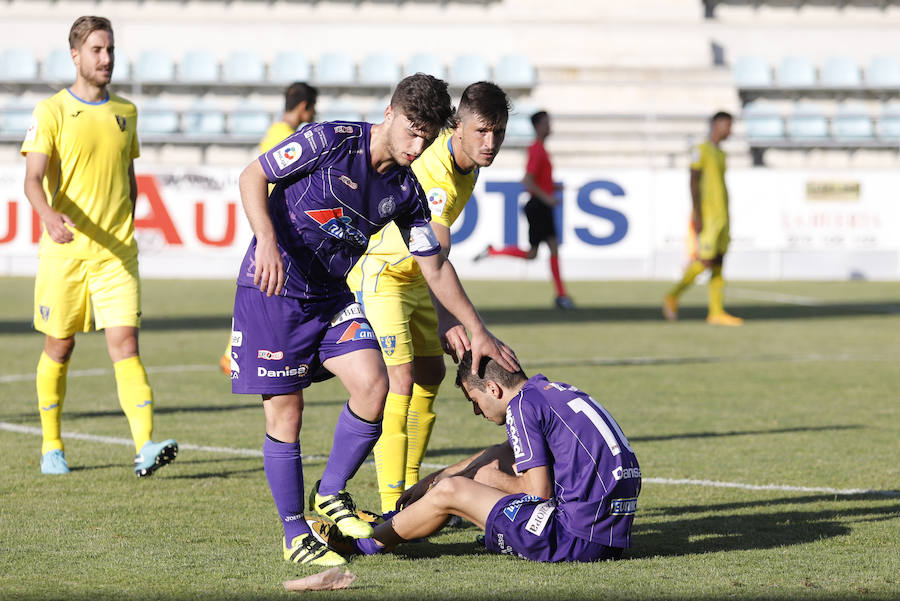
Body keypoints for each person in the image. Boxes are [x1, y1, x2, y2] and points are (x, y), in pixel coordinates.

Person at [230, 73, 519, 567]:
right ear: (388, 114)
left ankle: (331, 493)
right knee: (287, 414)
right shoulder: (329, 141)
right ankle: (294, 531)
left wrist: (476, 328)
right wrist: (267, 240)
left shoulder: (405, 191)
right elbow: (252, 176)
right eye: (411, 130)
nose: (416, 144)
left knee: (373, 385)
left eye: (426, 136)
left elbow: (434, 264)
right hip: (274, 289)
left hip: (329, 295)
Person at [20, 15, 178, 477]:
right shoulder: (50, 112)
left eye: (109, 49)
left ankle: (146, 445)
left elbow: (128, 179)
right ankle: (52, 446)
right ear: (75, 55)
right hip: (65, 255)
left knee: (125, 344)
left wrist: (127, 222)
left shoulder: (126, 112)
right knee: (60, 347)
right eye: (96, 50)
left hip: (116, 254)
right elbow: (31, 181)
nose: (106, 58)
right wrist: (50, 217)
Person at [346, 81, 510, 515]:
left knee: (431, 375)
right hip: (384, 273)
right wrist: (470, 327)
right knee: (397, 384)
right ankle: (391, 510)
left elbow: (431, 263)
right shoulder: (436, 173)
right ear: (457, 127)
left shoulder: (469, 164)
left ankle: (412, 493)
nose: (490, 143)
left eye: (497, 132)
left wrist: (442, 314)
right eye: (480, 132)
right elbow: (434, 257)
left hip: (417, 280)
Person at [316, 351, 641, 563]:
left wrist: (457, 484)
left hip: (575, 541)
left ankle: (365, 543)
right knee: (469, 476)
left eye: (474, 399)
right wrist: (437, 477)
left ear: (493, 388)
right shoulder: (548, 392)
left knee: (455, 491)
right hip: (610, 535)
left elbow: (536, 493)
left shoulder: (521, 407)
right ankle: (397, 520)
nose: (475, 411)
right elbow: (502, 451)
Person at [219, 82, 319, 375]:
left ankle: (234, 352)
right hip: (280, 224)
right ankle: (245, 353)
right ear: (304, 107)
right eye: (313, 108)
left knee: (264, 288)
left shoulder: (275, 132)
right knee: (270, 290)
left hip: (275, 223)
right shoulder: (287, 137)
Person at [476, 110, 574, 310]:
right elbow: (527, 180)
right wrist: (548, 197)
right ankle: (561, 296)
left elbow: (537, 179)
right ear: (538, 126)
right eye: (547, 122)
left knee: (534, 253)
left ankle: (494, 251)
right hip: (539, 206)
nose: (550, 126)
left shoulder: (541, 149)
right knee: (549, 248)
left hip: (540, 204)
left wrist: (553, 188)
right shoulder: (537, 150)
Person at [663, 111, 742, 326]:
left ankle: (716, 312)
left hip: (722, 215)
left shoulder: (721, 153)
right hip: (706, 215)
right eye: (727, 125)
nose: (730, 130)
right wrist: (697, 213)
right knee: (705, 260)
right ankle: (672, 295)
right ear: (716, 125)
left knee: (718, 261)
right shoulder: (701, 150)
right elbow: (693, 181)